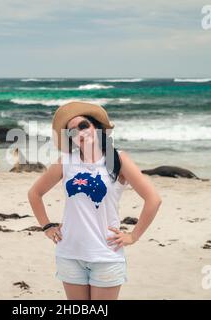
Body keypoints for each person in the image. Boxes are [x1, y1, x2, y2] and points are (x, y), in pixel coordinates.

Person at [27, 101, 162, 300]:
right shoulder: (66, 161)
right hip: (70, 254)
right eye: (72, 131)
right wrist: (47, 226)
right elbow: (34, 193)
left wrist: (133, 236)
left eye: (83, 126)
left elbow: (153, 199)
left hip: (106, 256)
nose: (79, 133)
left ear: (96, 127)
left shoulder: (118, 159)